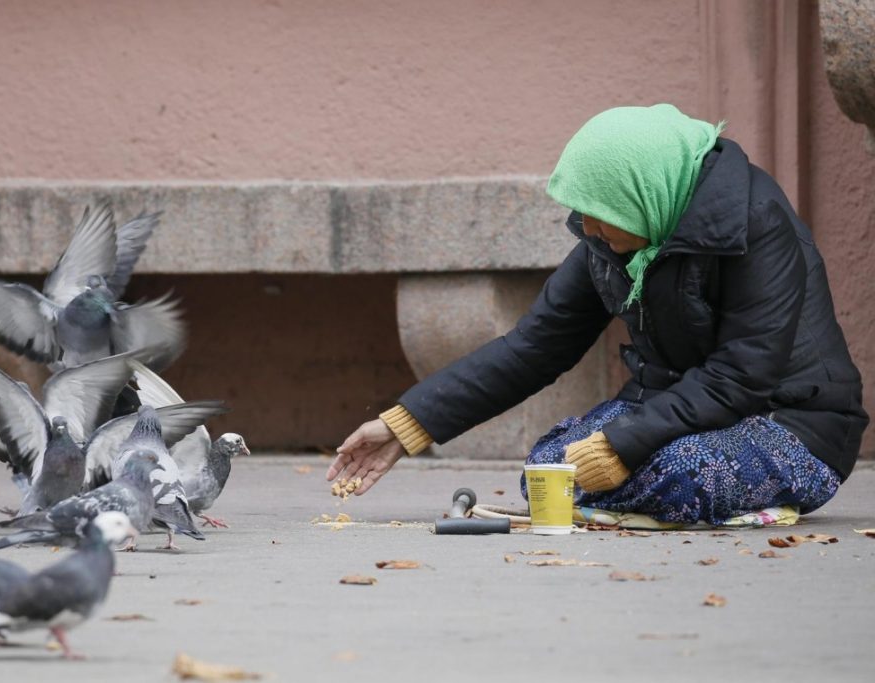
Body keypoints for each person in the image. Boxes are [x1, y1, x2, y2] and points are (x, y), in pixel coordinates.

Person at [327, 104, 868, 525]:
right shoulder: (612, 242)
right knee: (549, 472)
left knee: (677, 472)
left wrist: (622, 443)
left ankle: (740, 499)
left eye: (601, 211)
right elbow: (534, 347)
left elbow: (742, 375)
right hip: (677, 414)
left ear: (642, 194)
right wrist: (407, 425)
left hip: (790, 424)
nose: (586, 228)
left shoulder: (759, 224)